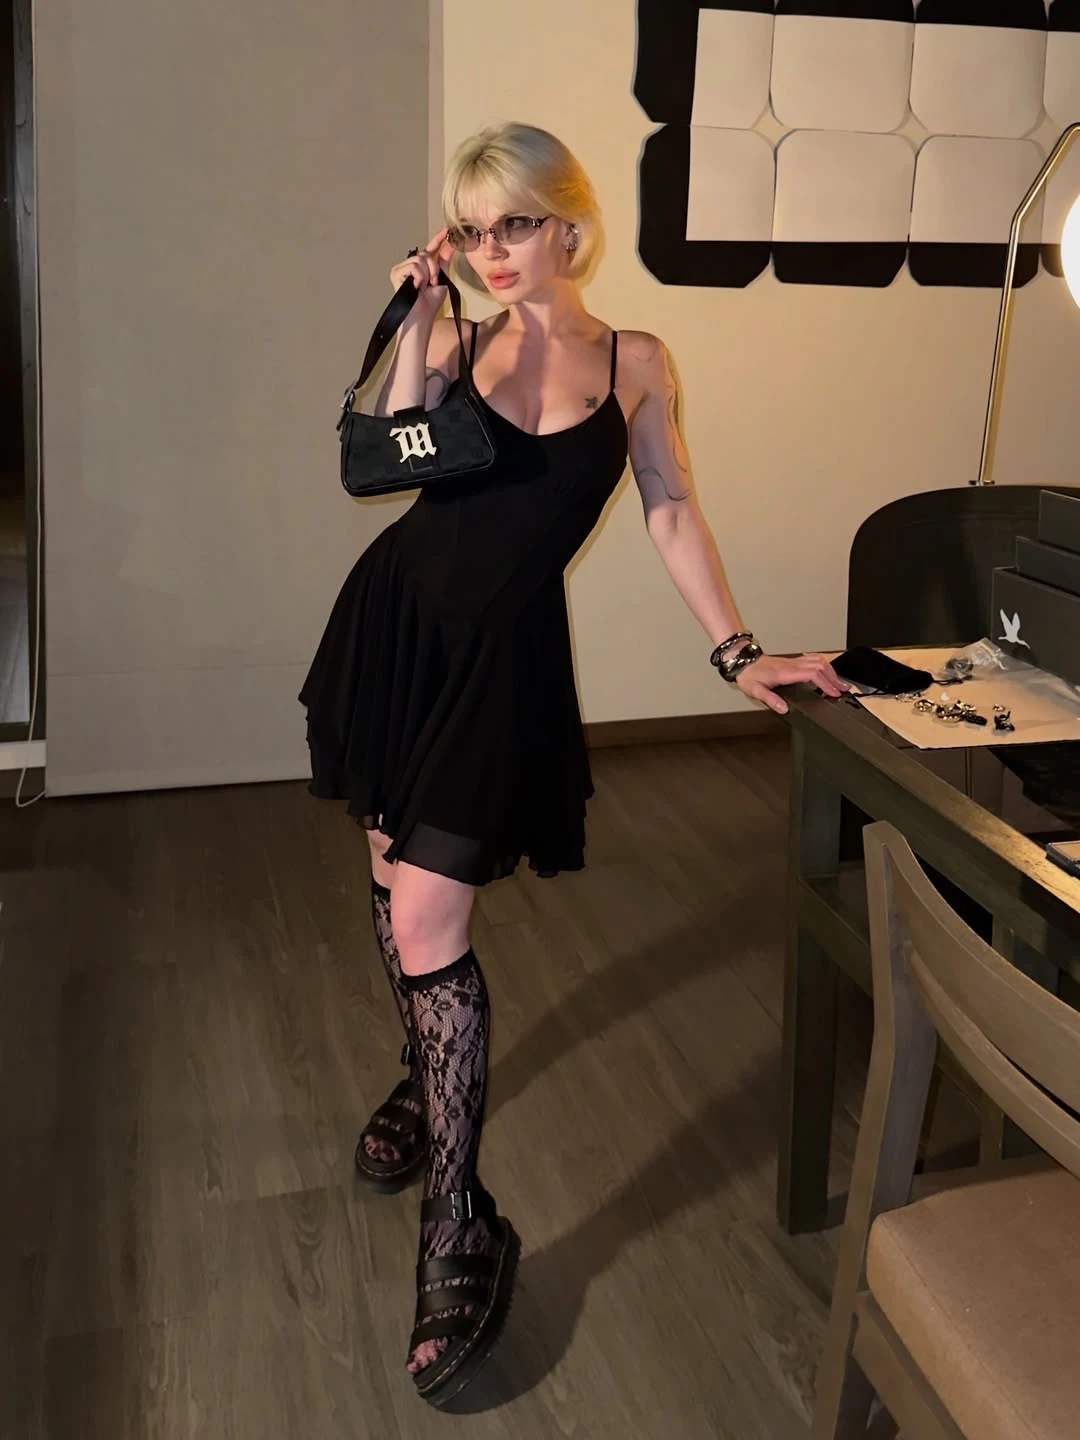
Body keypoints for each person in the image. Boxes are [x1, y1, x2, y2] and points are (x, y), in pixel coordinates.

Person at [299, 121, 847, 1407]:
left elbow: (668, 502)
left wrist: (738, 651)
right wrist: (416, 318)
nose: (493, 249)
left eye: (515, 224)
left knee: (425, 914)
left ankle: (459, 1222)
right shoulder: (458, 339)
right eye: (473, 228)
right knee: (392, 878)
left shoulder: (638, 361)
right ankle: (420, 1072)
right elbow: (389, 451)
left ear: (567, 225)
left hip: (504, 665)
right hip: (400, 628)